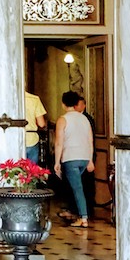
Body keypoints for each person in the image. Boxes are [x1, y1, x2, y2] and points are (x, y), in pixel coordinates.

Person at [54, 89, 94, 228]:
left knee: (76, 188)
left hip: (70, 157)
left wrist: (56, 162)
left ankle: (83, 218)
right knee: (75, 186)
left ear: (63, 104)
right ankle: (76, 213)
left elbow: (59, 142)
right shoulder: (84, 119)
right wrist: (90, 159)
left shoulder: (63, 119)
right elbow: (90, 141)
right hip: (84, 157)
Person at [75, 95, 97, 218]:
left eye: (77, 104)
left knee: (86, 183)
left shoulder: (87, 119)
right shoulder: (78, 118)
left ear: (83, 105)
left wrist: (90, 159)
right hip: (81, 154)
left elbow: (89, 140)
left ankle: (87, 209)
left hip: (86, 155)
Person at [24, 90, 47, 164]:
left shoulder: (8, 99)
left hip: (13, 139)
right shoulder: (34, 99)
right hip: (31, 139)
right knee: (32, 171)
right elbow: (41, 123)